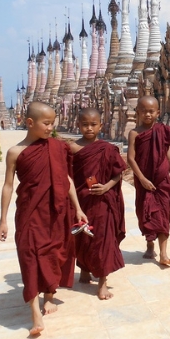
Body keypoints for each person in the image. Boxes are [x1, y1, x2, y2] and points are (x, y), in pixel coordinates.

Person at [0, 102, 88, 337]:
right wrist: (3, 219)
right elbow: (8, 186)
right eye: (46, 123)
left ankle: (49, 296)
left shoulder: (58, 148)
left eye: (52, 123)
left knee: (54, 254)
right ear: (30, 123)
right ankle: (34, 311)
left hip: (56, 212)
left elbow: (66, 180)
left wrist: (77, 208)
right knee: (29, 255)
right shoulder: (15, 152)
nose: (50, 128)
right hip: (29, 212)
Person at [69, 108, 126, 300]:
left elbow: (118, 173)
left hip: (102, 202)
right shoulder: (72, 148)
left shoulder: (107, 149)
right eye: (85, 124)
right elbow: (66, 176)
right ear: (78, 125)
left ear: (101, 126)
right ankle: (84, 269)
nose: (89, 128)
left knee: (102, 239)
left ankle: (102, 282)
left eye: (93, 124)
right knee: (82, 236)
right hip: (80, 200)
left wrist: (107, 187)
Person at [127, 95, 170, 266]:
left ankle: (163, 253)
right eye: (144, 111)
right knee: (145, 214)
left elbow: (169, 158)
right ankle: (150, 245)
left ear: (158, 112)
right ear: (138, 113)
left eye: (151, 111)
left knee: (163, 215)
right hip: (144, 181)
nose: (147, 115)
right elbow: (131, 159)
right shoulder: (134, 133)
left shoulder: (163, 132)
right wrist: (141, 179)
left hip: (162, 181)